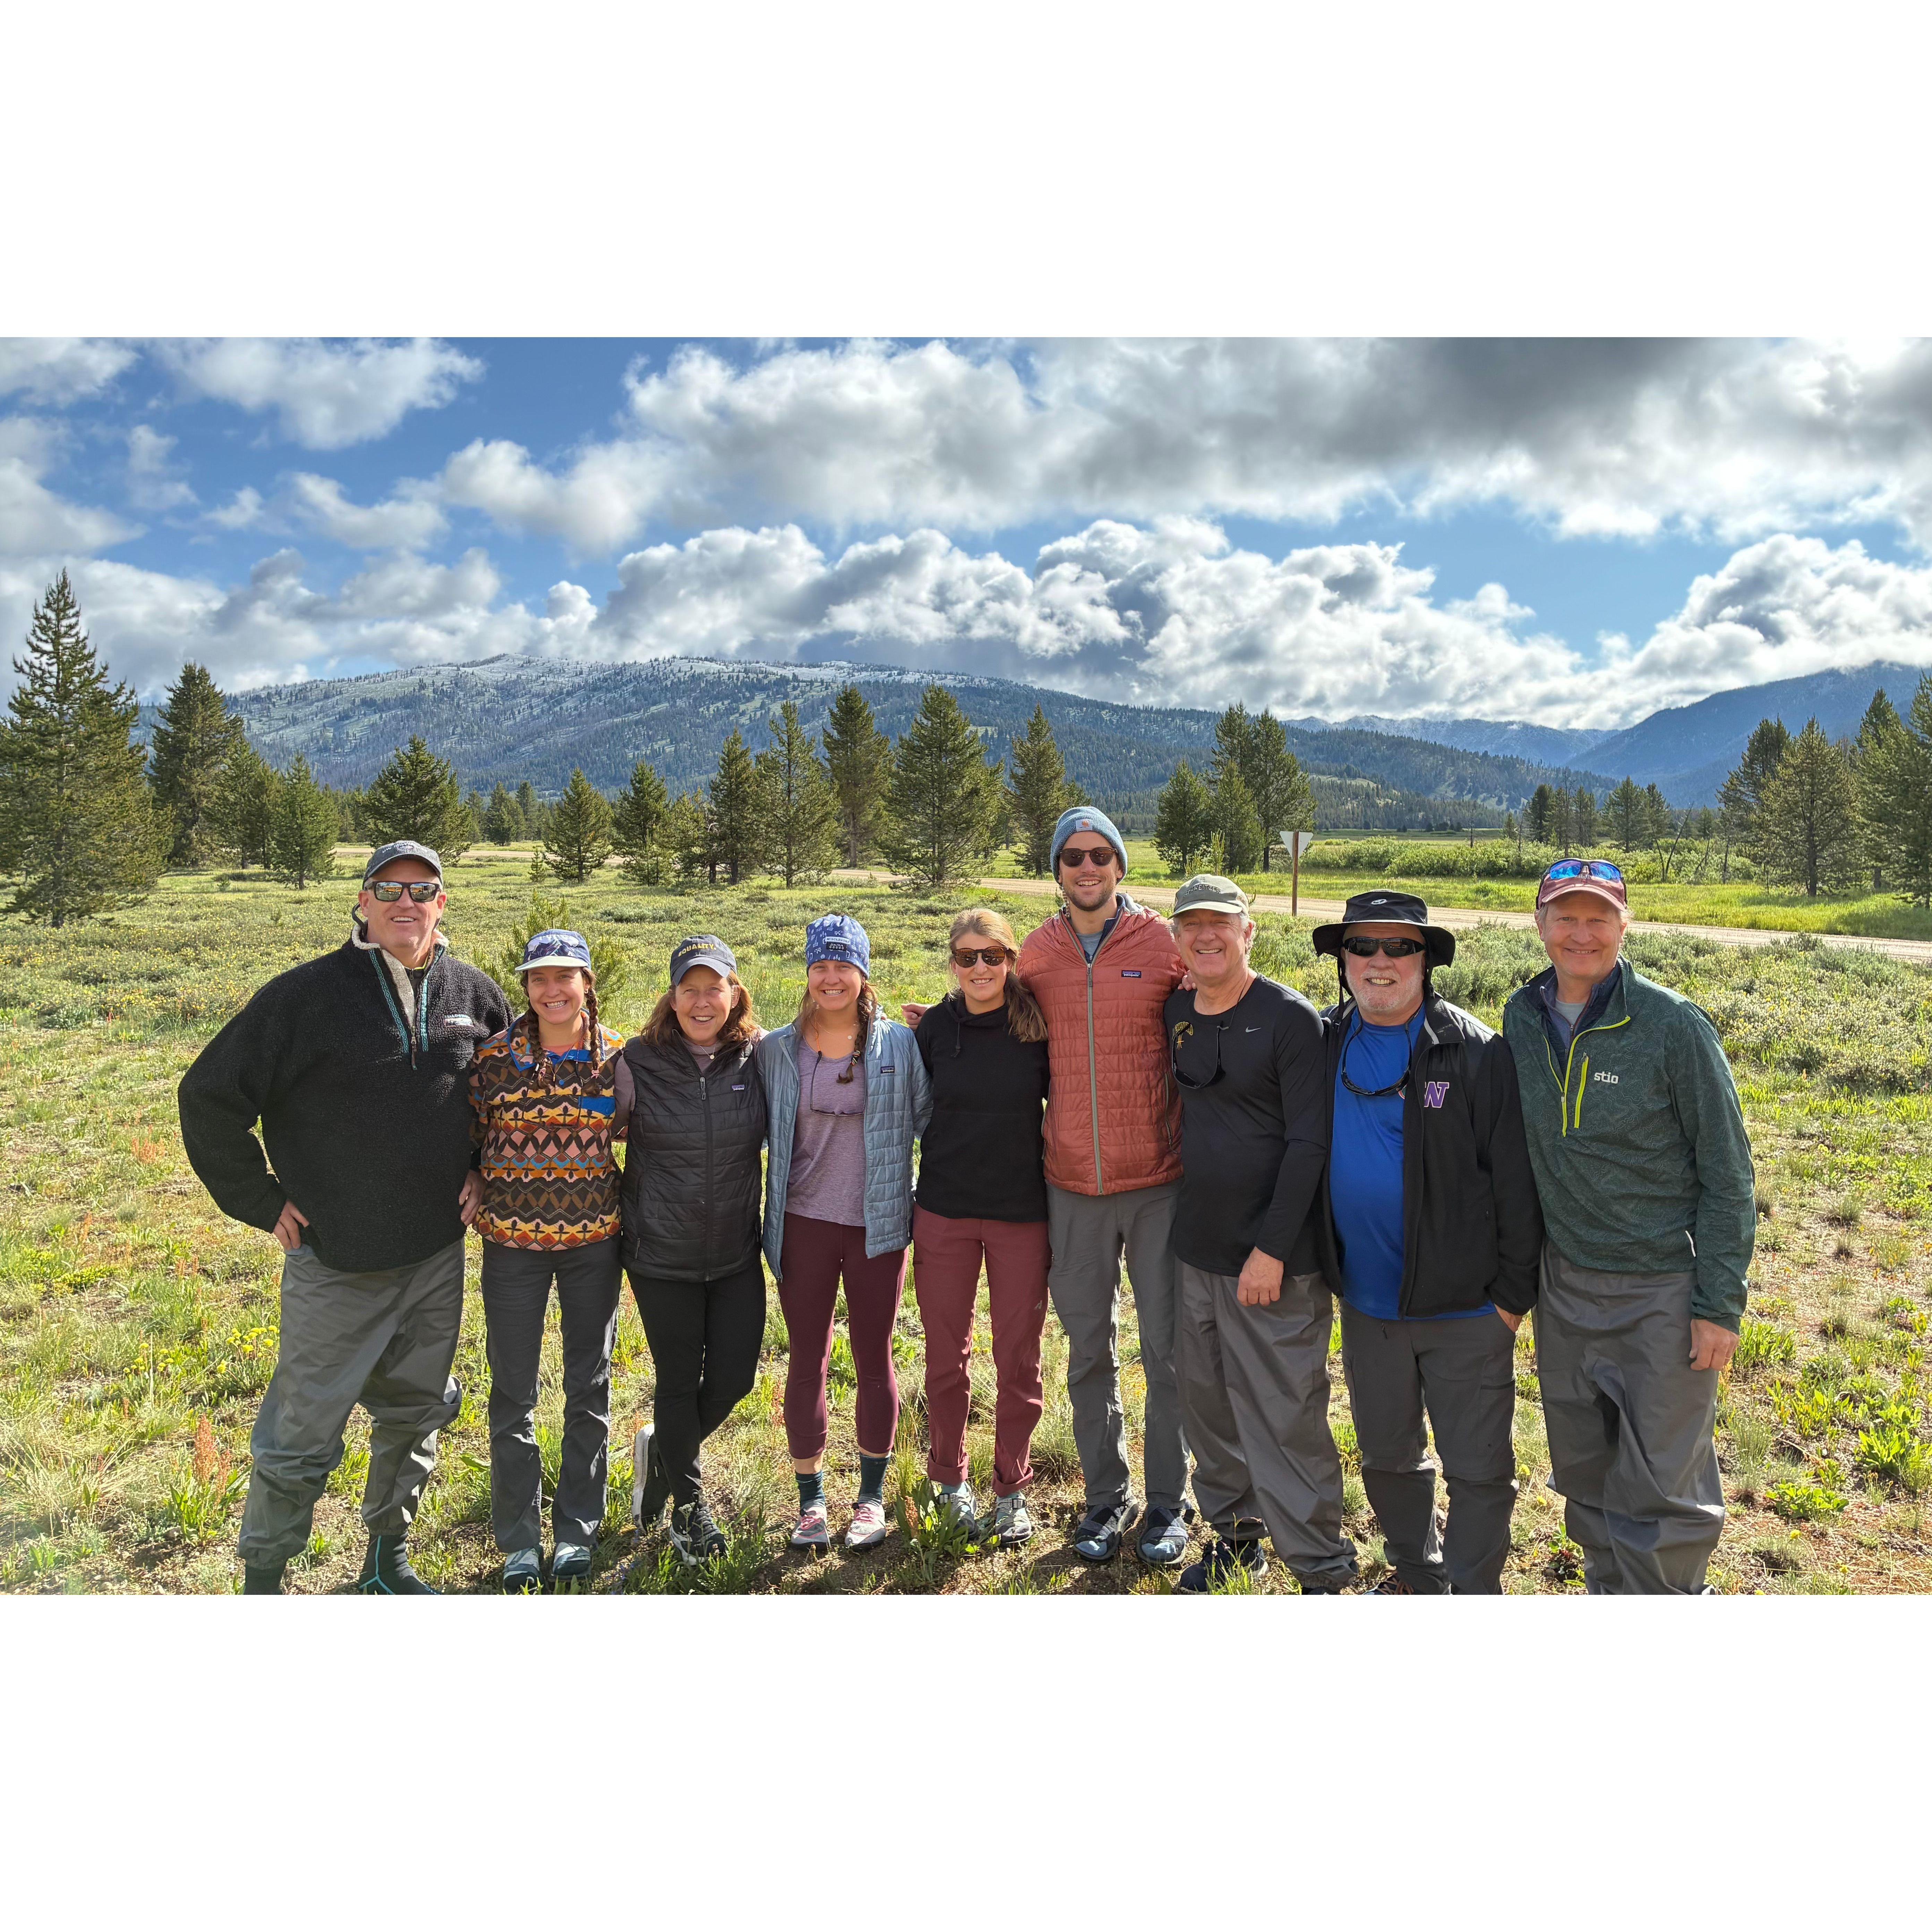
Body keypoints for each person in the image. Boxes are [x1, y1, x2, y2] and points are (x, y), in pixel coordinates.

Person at [178, 840, 511, 1595]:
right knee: (300, 1434)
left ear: (442, 904)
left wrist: (482, 1167)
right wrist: (261, 1200)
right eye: (388, 889)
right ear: (362, 902)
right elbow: (208, 1096)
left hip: (434, 1257)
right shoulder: (303, 998)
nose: (405, 902)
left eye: (421, 889)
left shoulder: (475, 993)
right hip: (336, 1261)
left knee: (416, 1414)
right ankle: (264, 1582)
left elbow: (507, 1095)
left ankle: (386, 1563)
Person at [1502, 858, 1756, 1595]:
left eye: (1599, 918)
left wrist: (1717, 1304)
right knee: (1585, 1471)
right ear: (1540, 924)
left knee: (1664, 1484)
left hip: (1661, 1290)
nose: (1581, 933)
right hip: (1564, 1285)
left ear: (1624, 925)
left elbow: (1728, 1173)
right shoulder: (1521, 1018)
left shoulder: (1672, 1025)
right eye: (1565, 916)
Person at [1310, 891, 1542, 1595]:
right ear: (1342, 959)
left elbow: (1516, 1183)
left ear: (1425, 960)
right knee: (1387, 1458)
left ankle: (1471, 1594)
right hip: (1367, 1304)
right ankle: (1419, 1575)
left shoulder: (1474, 1051)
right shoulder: (1320, 1041)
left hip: (1466, 1309)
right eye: (1362, 946)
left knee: (1478, 1470)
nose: (1379, 961)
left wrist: (1508, 1301)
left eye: (1399, 947)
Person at [1162, 875, 1357, 1594]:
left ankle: (1320, 1565)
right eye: (1191, 925)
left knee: (1285, 1411)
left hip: (1274, 1259)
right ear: (1177, 939)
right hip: (1196, 1249)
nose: (1205, 935)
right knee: (1207, 1405)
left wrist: (1271, 1250)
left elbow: (1310, 1143)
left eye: (1221, 923)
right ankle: (1237, 1538)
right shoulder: (1177, 1009)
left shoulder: (1288, 1018)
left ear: (1249, 932)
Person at [1015, 806, 1194, 1567]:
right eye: (1072, 857)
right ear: (1056, 870)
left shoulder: (1161, 945)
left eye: (1099, 855)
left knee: (1168, 1353)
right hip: (1070, 1186)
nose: (1086, 868)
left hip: (1157, 1182)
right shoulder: (1036, 952)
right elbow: (1001, 1023)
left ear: (1120, 865)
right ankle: (1104, 1497)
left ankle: (1168, 1503)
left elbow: (1220, 998)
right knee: (1088, 1352)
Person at [758, 914, 930, 1551]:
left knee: (873, 1355)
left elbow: (930, 1122)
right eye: (820, 966)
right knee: (807, 1356)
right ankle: (810, 1501)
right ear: (807, 972)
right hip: (801, 1223)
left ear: (863, 973)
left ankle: (870, 1498)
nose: (831, 978)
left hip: (877, 1225)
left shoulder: (899, 1046)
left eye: (843, 966)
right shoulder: (777, 1049)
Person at [468, 930, 625, 1592]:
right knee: (513, 1392)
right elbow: (466, 1132)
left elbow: (639, 1136)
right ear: (526, 987)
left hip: (594, 1243)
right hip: (511, 1246)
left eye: (565, 977)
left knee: (589, 1387)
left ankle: (576, 1532)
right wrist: (471, 1173)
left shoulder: (618, 1057)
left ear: (587, 982)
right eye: (538, 978)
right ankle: (518, 1542)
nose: (552, 990)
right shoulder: (493, 1059)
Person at [618, 936, 768, 1567]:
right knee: (678, 1381)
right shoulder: (635, 1061)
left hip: (735, 1252)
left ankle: (665, 1451)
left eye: (715, 988)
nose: (702, 1002)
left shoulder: (760, 1057)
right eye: (690, 989)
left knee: (735, 1378)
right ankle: (689, 1508)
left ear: (735, 993)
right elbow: (592, 1131)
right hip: (660, 1254)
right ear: (672, 997)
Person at [911, 909, 1052, 1544]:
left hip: (1022, 1212)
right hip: (944, 1210)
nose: (979, 968)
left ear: (1010, 960)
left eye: (991, 956)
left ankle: (1011, 1488)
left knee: (1018, 1357)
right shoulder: (935, 1028)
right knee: (946, 1356)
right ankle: (949, 1480)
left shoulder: (1037, 1025)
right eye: (966, 957)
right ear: (952, 963)